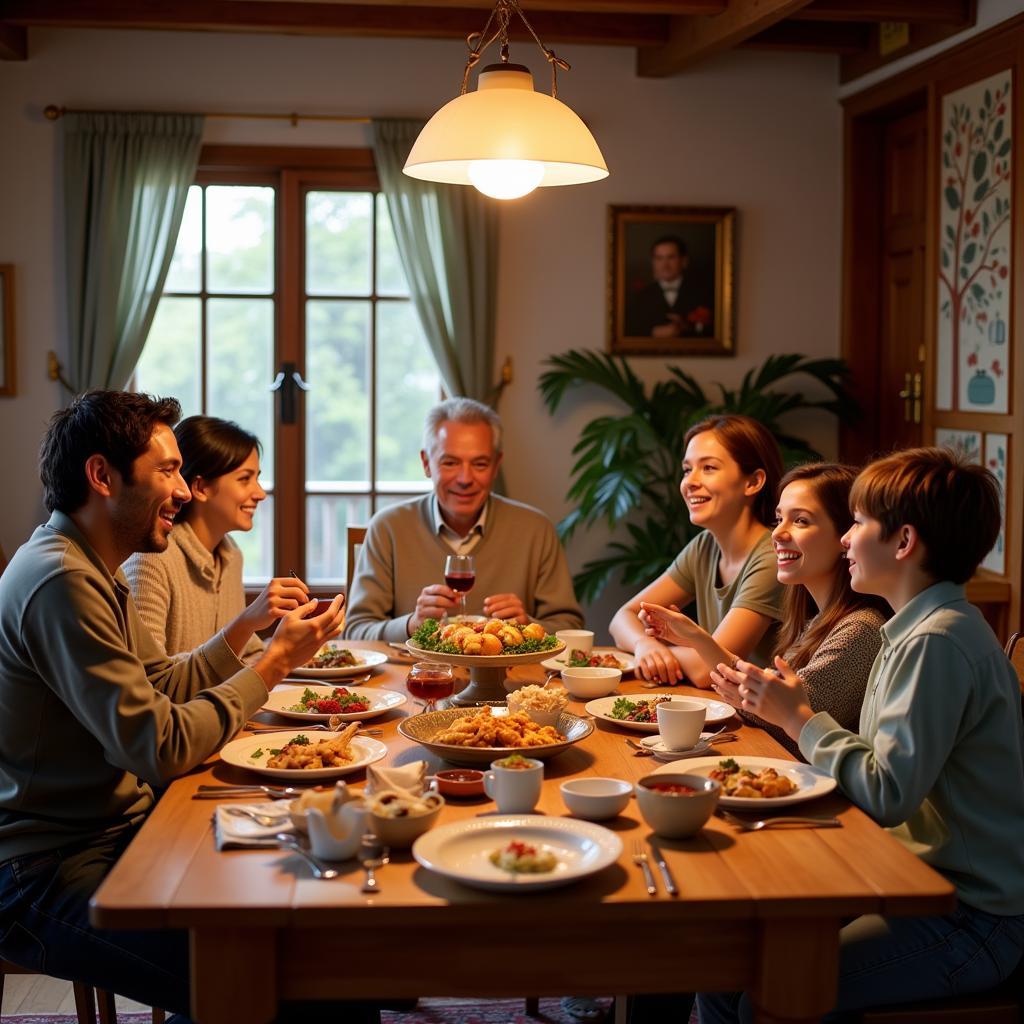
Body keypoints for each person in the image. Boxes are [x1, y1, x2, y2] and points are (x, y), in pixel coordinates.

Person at [0, 390, 345, 1023]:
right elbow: (158, 748)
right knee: (289, 980)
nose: (185, 491)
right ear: (102, 476)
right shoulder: (62, 580)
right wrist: (273, 666)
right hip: (46, 870)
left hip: (117, 832)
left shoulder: (91, 563)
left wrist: (247, 636)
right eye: (167, 471)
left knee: (316, 936)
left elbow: (159, 681)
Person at [699, 447, 1024, 1023]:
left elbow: (889, 793)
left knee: (768, 996)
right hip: (909, 878)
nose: (846, 540)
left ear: (902, 543)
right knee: (720, 964)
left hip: (968, 915)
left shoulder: (936, 642)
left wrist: (799, 718)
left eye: (859, 524)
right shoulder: (914, 630)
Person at [640, 463, 889, 756]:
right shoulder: (819, 619)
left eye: (801, 521)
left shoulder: (860, 628)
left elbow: (782, 710)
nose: (777, 534)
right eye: (779, 518)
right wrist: (696, 638)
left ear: (844, 537)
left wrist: (699, 641)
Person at [345, 397, 583, 640]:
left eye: (480, 464)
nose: (465, 479)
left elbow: (571, 629)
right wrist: (412, 625)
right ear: (427, 463)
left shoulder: (536, 529)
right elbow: (355, 633)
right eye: (450, 462)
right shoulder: (388, 527)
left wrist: (527, 626)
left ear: (496, 465)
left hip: (512, 678)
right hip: (416, 676)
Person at [609, 414, 785, 687]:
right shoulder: (705, 546)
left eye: (709, 468)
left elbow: (710, 670)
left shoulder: (773, 557)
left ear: (753, 482)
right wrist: (644, 644)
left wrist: (659, 653)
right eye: (687, 469)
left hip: (765, 723)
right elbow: (623, 617)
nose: (690, 482)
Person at [124, 415, 313, 662]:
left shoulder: (230, 555)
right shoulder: (150, 560)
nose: (260, 493)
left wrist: (288, 644)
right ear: (201, 488)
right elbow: (148, 674)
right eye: (245, 479)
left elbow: (244, 653)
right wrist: (250, 626)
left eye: (256, 478)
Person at [624, 235, 713, 339]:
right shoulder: (640, 296)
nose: (665, 265)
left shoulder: (703, 293)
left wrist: (687, 328)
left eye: (671, 257)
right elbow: (628, 330)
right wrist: (653, 333)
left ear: (684, 261)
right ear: (653, 262)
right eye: (659, 258)